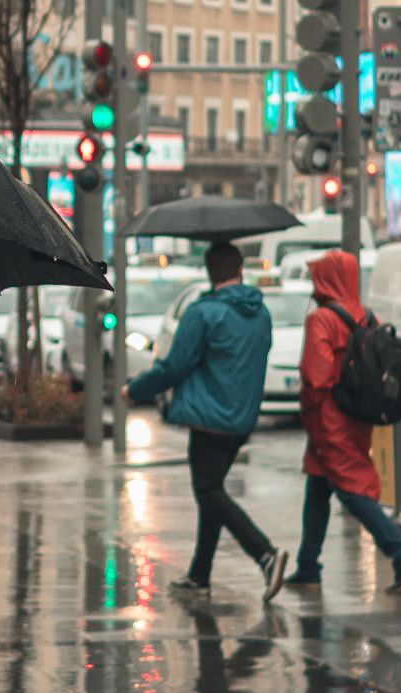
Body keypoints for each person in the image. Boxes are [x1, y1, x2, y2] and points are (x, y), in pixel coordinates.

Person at [124, 241, 290, 600]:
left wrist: (134, 389)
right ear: (240, 269)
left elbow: (174, 366)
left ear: (209, 272)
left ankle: (265, 554)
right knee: (211, 492)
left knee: (210, 492)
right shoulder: (260, 312)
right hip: (242, 419)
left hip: (208, 419)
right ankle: (200, 574)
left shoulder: (203, 313)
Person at [284, 251, 401, 595]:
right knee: (318, 486)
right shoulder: (366, 315)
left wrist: (308, 406)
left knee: (351, 489)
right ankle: (308, 565)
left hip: (328, 418)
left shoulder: (321, 319)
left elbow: (316, 376)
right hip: (356, 415)